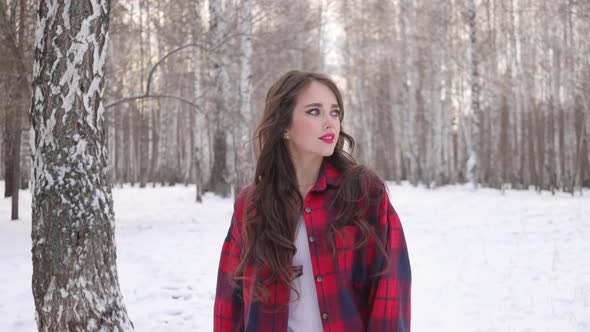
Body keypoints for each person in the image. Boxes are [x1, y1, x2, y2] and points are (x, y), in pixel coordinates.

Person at [214, 70, 411, 332]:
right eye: (314, 112)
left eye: (335, 112)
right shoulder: (251, 204)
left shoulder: (363, 192)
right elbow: (230, 300)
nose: (330, 122)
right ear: (284, 126)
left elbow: (392, 288)